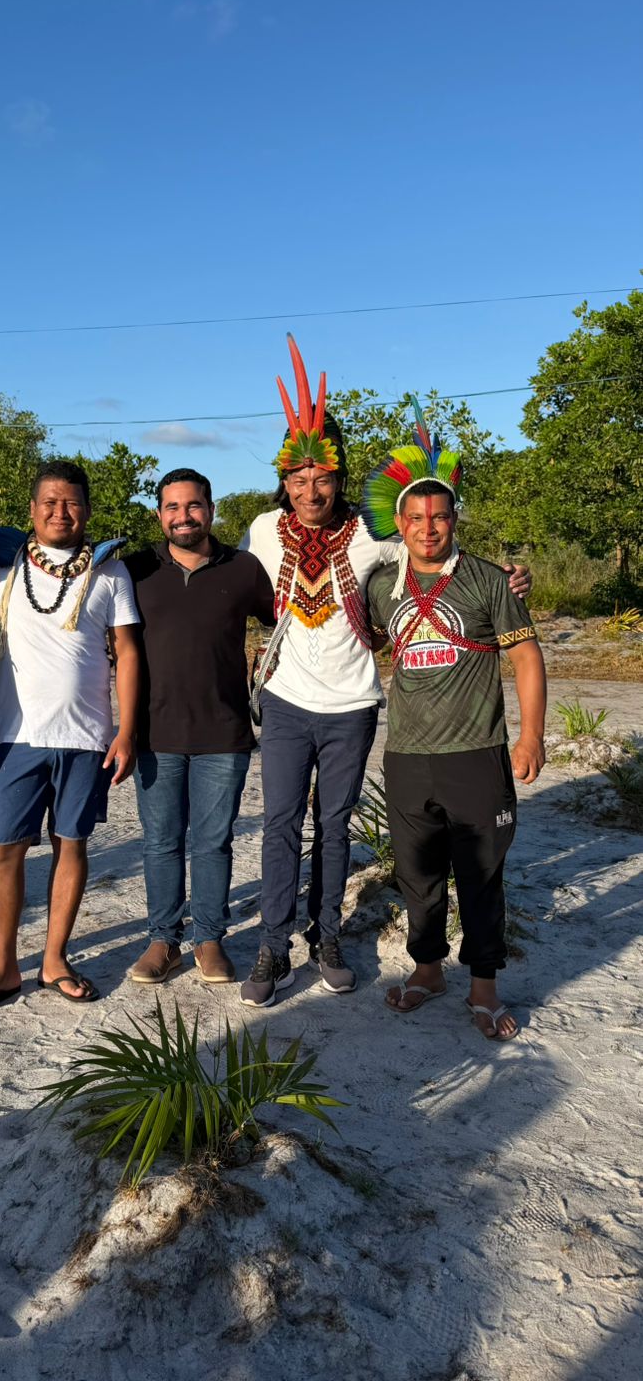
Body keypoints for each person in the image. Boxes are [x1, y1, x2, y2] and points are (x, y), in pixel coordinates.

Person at [238, 335, 531, 1007]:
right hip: (284, 701)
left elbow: (438, 548)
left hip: (351, 705)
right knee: (280, 822)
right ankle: (273, 945)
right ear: (284, 481)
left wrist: (511, 578)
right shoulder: (262, 529)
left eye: (322, 477)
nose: (310, 490)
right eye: (297, 478)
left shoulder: (375, 534)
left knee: (333, 825)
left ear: (341, 477)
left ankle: (328, 937)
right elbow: (228, 582)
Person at [362, 406, 546, 1039]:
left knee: (481, 874)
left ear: (454, 518)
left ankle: (484, 986)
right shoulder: (381, 584)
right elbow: (359, 634)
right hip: (407, 755)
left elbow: (526, 656)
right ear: (400, 524)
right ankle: (427, 970)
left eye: (439, 516)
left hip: (477, 751)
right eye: (416, 518)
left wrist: (530, 735)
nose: (428, 528)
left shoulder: (490, 580)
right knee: (417, 873)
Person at [0, 459, 140, 1009]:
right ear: (32, 509)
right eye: (50, 502)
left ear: (87, 509)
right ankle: (2, 966)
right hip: (18, 735)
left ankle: (55, 959)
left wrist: (127, 730)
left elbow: (128, 652)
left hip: (87, 736)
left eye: (72, 503)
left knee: (71, 844)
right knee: (3, 850)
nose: (61, 512)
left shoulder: (110, 571)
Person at [123, 468, 276, 985]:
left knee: (213, 843)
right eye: (172, 507)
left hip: (223, 733)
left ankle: (210, 940)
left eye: (193, 506)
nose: (183, 516)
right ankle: (163, 941)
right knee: (161, 843)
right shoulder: (135, 569)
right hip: (154, 733)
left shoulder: (245, 568)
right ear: (158, 515)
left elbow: (291, 618)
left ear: (210, 510)